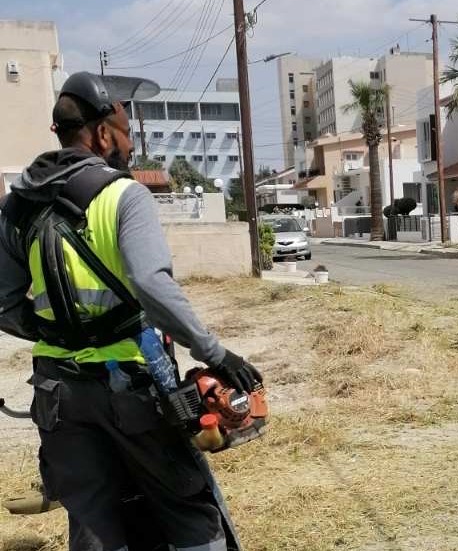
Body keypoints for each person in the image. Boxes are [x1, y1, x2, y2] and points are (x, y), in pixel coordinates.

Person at [0, 72, 262, 550]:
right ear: (102, 134)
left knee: (94, 522)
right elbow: (150, 284)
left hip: (57, 393)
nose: (129, 147)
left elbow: (5, 302)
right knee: (188, 508)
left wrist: (65, 333)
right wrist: (217, 354)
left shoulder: (17, 206)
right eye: (126, 135)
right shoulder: (124, 195)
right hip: (131, 389)